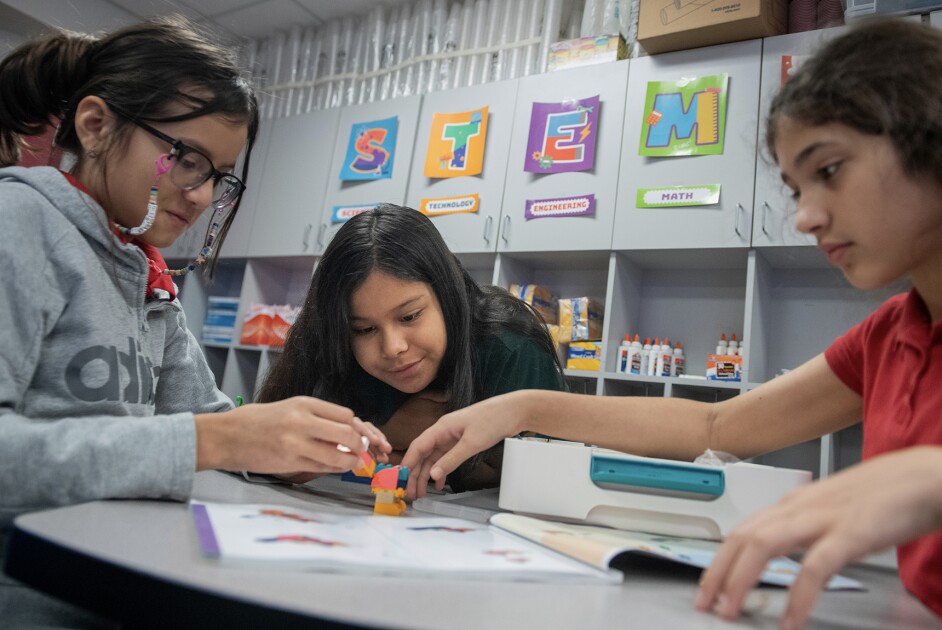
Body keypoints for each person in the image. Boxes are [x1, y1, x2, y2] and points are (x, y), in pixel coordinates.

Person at [401, 18, 942, 628]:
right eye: (794, 189)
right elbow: (717, 423)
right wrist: (521, 406)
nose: (806, 217)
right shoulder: (891, 336)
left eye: (830, 170)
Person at [0, 16, 389, 627]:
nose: (203, 196)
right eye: (187, 159)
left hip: (112, 582)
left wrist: (279, 448)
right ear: (96, 125)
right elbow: (204, 438)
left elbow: (205, 419)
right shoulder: (19, 222)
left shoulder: (143, 270)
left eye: (220, 176)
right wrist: (223, 441)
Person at [256, 204, 566, 491]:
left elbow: (540, 479)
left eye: (410, 316)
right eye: (364, 329)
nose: (393, 347)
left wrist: (380, 445)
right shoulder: (329, 339)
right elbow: (279, 444)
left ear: (447, 294)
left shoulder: (509, 346)